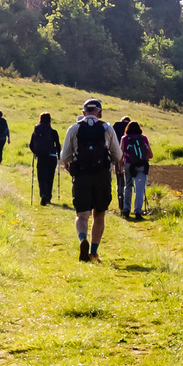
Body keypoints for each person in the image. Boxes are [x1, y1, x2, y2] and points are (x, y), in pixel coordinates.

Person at [61, 99, 123, 264]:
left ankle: (83, 239)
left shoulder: (74, 129)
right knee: (99, 214)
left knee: (82, 215)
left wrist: (73, 160)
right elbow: (118, 155)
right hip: (102, 176)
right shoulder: (107, 128)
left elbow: (64, 156)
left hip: (81, 176)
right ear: (100, 113)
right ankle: (94, 253)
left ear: (83, 113)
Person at [121, 121, 153, 219]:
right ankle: (138, 211)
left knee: (128, 186)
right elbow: (150, 155)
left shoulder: (124, 138)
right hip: (141, 165)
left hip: (128, 164)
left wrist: (119, 167)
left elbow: (121, 154)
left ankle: (126, 210)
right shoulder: (144, 138)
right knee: (140, 188)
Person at [29, 113, 61, 206]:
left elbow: (31, 145)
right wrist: (59, 155)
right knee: (50, 177)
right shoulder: (53, 132)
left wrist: (36, 152)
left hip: (41, 157)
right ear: (50, 120)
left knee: (41, 177)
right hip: (52, 156)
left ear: (40, 119)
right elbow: (58, 145)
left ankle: (43, 194)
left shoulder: (36, 131)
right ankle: (48, 197)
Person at [113, 116, 131, 216]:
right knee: (128, 184)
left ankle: (121, 205)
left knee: (119, 181)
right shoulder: (132, 128)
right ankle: (127, 206)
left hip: (118, 157)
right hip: (130, 160)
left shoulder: (116, 127)